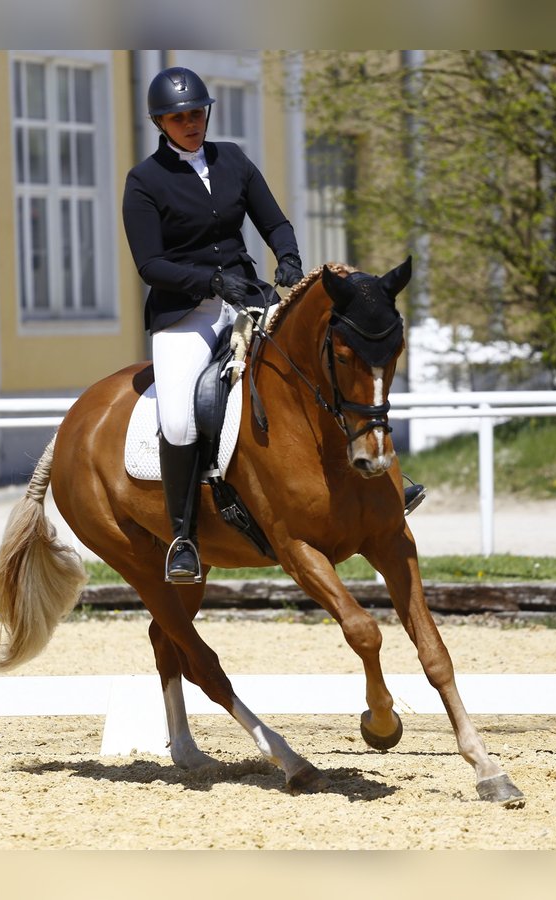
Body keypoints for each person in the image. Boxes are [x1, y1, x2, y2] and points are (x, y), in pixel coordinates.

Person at [122, 66, 423, 584]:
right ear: (160, 123)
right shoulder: (145, 181)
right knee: (177, 419)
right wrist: (213, 282)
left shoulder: (232, 159)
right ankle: (182, 537)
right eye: (179, 117)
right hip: (184, 315)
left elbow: (274, 221)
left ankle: (382, 482)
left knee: (316, 369)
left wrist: (287, 257)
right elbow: (150, 265)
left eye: (197, 113)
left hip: (249, 298)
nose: (192, 123)